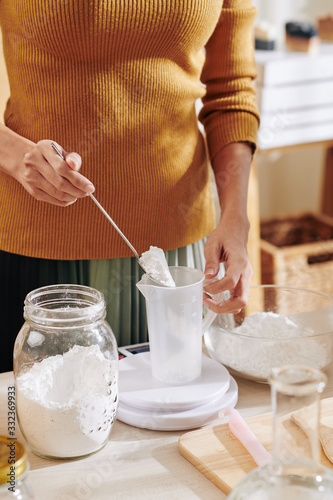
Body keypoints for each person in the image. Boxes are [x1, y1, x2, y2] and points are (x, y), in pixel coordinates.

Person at [0, 0, 260, 373]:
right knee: (31, 425)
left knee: (179, 415)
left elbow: (231, 95)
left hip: (182, 253)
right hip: (43, 247)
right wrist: (14, 155)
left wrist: (236, 219)